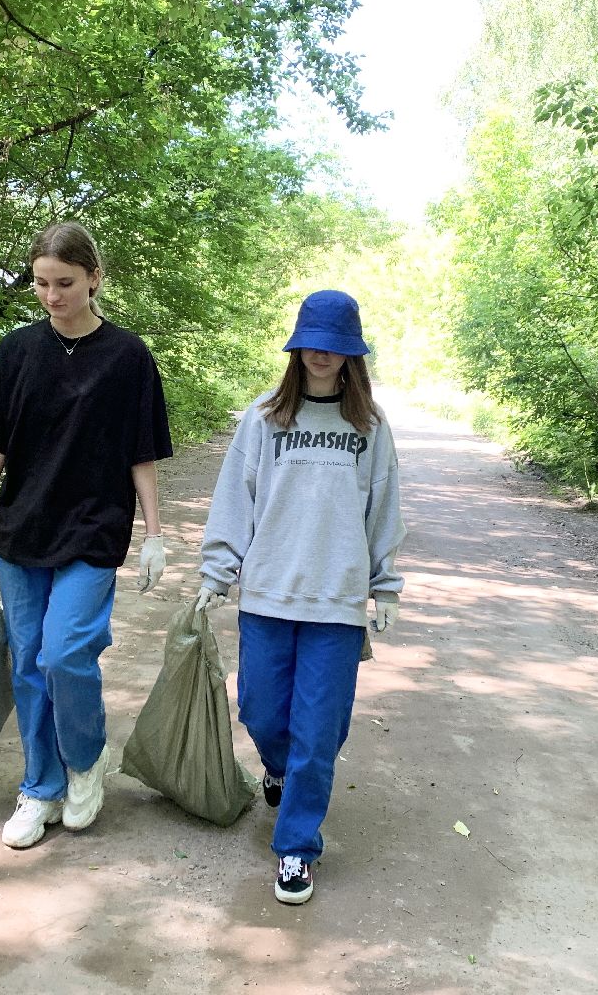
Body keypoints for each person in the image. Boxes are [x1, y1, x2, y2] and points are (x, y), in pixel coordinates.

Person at [0, 221, 173, 849]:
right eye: (41, 283)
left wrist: (155, 534)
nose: (51, 295)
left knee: (64, 653)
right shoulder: (17, 352)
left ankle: (83, 762)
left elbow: (142, 452)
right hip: (22, 530)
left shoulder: (128, 357)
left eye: (65, 283)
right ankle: (39, 786)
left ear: (93, 278)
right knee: (27, 664)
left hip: (94, 531)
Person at [196, 289, 405, 905]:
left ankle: (295, 847)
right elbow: (236, 498)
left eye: (336, 346)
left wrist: (384, 583)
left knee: (320, 730)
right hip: (266, 593)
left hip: (336, 601)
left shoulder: (368, 425)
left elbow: (382, 506)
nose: (322, 355)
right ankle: (279, 766)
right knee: (260, 708)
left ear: (352, 354)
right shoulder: (264, 417)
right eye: (313, 342)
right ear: (297, 345)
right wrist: (217, 570)